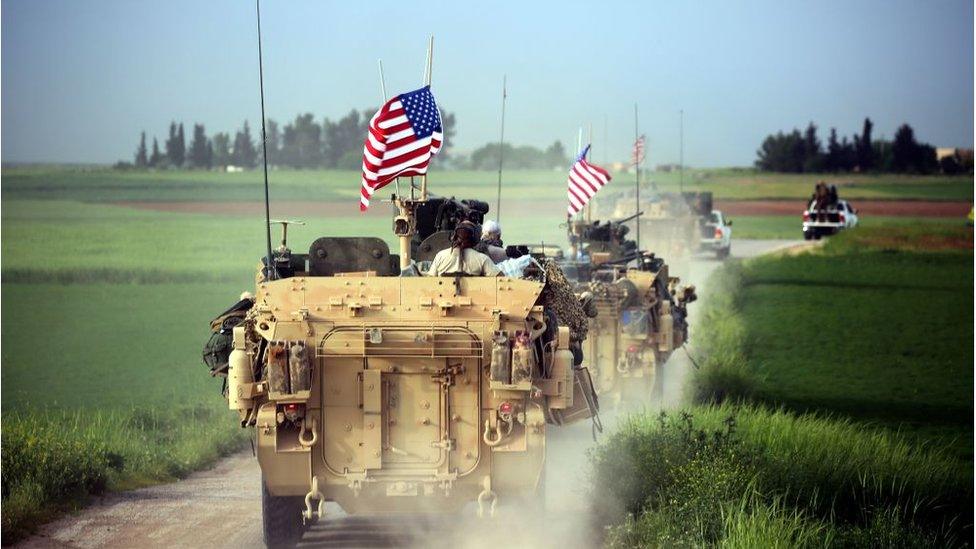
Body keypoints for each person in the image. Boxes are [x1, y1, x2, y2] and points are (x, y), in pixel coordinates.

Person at [427, 221, 502, 276]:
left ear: (454, 237)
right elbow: (501, 278)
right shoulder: (482, 259)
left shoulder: (440, 256)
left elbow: (430, 280)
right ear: (475, 239)